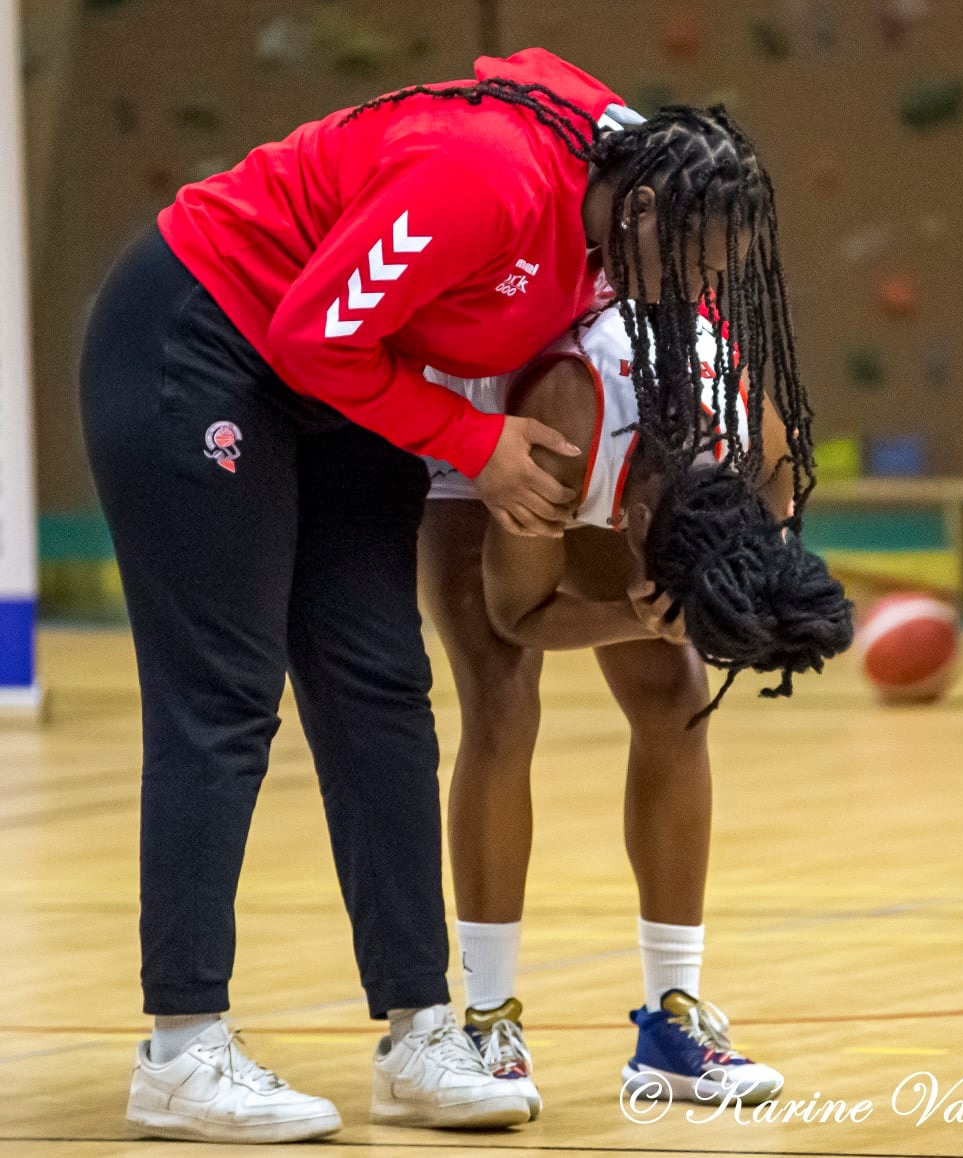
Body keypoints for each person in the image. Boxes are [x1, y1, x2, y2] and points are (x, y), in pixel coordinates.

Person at [79, 47, 790, 1143]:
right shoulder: (487, 182)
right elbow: (308, 331)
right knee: (223, 699)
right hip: (207, 339)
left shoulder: (638, 177)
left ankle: (420, 1033)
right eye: (691, 261)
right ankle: (182, 1049)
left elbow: (529, 68)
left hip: (349, 380)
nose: (697, 290)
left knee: (380, 693)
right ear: (643, 209)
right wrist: (470, 441)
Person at [420, 286, 854, 1113]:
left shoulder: (750, 443)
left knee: (675, 696)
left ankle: (673, 1022)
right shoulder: (564, 418)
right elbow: (520, 613)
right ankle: (485, 1021)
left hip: (627, 421)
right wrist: (629, 613)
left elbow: (766, 521)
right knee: (501, 698)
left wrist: (718, 608)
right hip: (483, 404)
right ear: (631, 514)